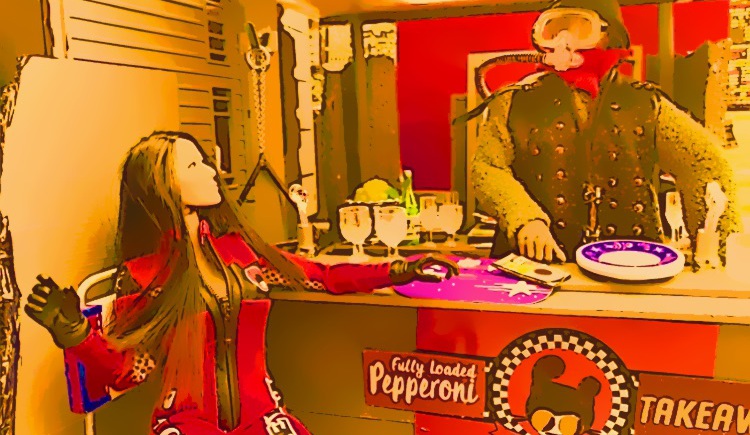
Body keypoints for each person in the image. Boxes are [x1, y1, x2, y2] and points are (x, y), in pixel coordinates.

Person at [24, 131, 459, 435]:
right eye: (194, 164)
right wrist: (74, 333)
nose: (211, 171)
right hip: (187, 424)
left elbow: (318, 277)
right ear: (162, 184)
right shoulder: (144, 273)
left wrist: (398, 270)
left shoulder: (240, 251)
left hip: (262, 416)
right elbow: (132, 370)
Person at [470, 0, 740, 264]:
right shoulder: (513, 101)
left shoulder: (644, 103)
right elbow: (488, 167)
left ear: (607, 35)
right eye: (556, 28)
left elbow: (705, 166)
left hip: (631, 265)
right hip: (535, 268)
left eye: (580, 27)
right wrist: (523, 218)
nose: (565, 38)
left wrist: (714, 252)